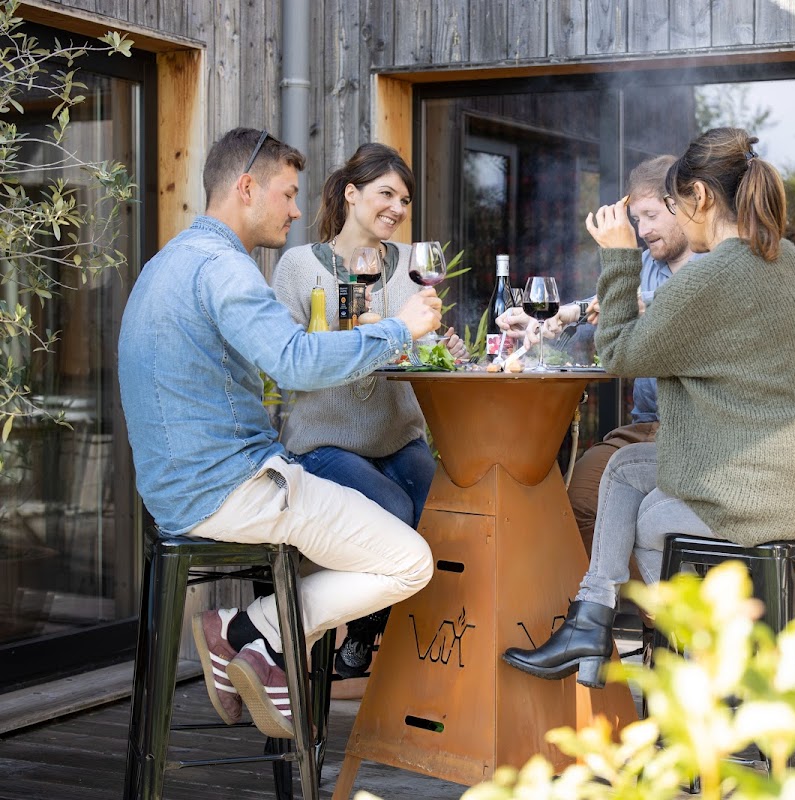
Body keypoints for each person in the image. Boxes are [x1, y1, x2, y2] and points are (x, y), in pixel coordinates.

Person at [117, 128, 440, 739]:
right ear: (246, 188)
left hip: (175, 495)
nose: (296, 209)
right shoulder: (225, 270)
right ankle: (251, 628)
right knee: (411, 560)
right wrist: (398, 330)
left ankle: (255, 636)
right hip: (236, 489)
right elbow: (292, 361)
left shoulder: (168, 261)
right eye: (288, 194)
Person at [501, 128, 795, 689]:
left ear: (700, 197)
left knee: (651, 518)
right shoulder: (780, 257)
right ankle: (591, 622)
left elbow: (620, 354)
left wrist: (619, 257)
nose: (671, 217)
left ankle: (705, 677)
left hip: (762, 498)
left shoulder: (712, 275)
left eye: (673, 203)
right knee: (624, 469)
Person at [271, 143, 464, 681]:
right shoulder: (300, 268)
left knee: (445, 516)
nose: (397, 208)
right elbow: (287, 363)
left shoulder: (412, 267)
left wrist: (440, 347)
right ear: (352, 194)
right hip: (324, 442)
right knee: (393, 512)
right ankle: (360, 637)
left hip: (397, 436)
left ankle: (413, 654)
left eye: (405, 200)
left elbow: (420, 348)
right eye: (387, 194)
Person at [498, 155, 695, 555]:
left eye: (652, 216)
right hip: (646, 427)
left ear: (682, 206)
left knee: (648, 517)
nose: (643, 230)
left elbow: (675, 301)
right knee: (580, 500)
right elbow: (601, 303)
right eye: (636, 220)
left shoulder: (714, 264)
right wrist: (554, 317)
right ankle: (624, 592)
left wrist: (623, 304)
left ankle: (666, 594)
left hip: (698, 433)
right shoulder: (643, 263)